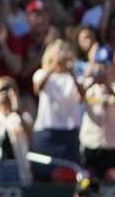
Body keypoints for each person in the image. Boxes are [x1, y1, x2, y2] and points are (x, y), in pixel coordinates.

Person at [32, 39, 84, 169]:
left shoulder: (76, 76)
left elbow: (81, 97)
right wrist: (52, 67)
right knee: (43, 172)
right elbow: (38, 88)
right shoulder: (41, 73)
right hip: (47, 131)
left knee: (71, 173)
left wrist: (71, 71)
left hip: (69, 132)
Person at [80, 46, 115, 180]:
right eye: (100, 64)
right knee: (89, 183)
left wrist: (107, 85)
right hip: (90, 144)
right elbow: (78, 98)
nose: (103, 69)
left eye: (106, 64)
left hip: (111, 146)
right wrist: (92, 79)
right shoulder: (87, 84)